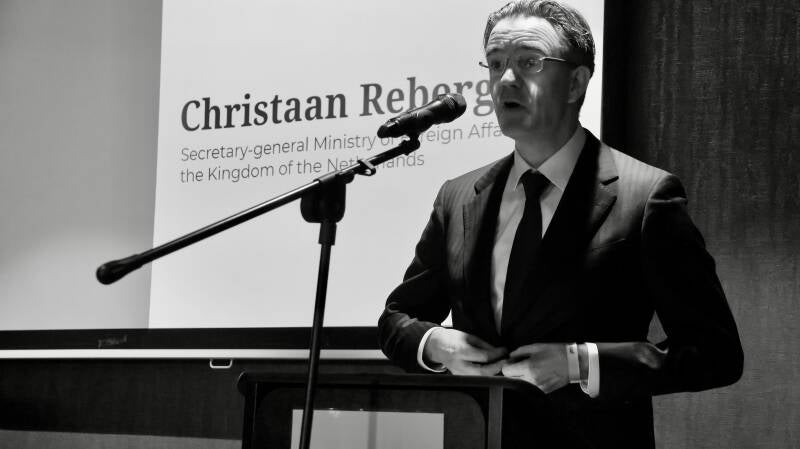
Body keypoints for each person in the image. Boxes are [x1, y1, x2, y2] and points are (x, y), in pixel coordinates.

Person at [377, 1, 744, 448]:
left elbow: (715, 353)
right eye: (496, 64)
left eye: (529, 62)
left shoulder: (647, 196)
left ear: (576, 82)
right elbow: (398, 319)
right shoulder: (458, 196)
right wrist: (437, 344)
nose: (505, 80)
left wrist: (580, 363)